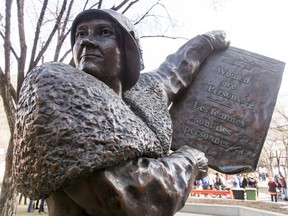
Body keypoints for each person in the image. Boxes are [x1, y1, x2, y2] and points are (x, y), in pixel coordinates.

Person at [13, 9, 229, 216]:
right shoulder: (60, 100)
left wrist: (204, 42)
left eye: (104, 32)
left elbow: (173, 72)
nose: (86, 41)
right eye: (80, 34)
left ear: (128, 49)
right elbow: (131, 198)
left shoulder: (138, 97)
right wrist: (190, 162)